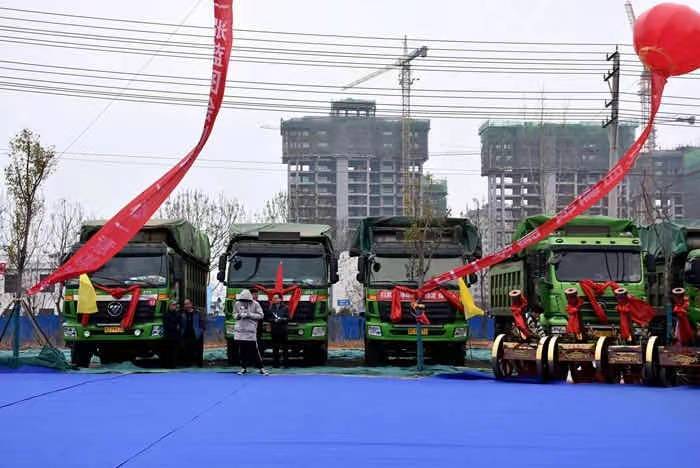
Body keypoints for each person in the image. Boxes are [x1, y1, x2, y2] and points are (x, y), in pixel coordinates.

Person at [233, 289, 268, 375]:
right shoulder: (237, 304)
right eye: (243, 300)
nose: (244, 302)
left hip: (250, 331)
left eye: (246, 300)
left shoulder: (255, 304)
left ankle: (261, 368)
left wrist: (250, 315)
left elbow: (261, 315)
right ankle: (243, 368)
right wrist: (239, 315)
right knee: (242, 350)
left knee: (254, 350)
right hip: (240, 331)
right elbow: (234, 314)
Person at [180, 298, 206, 367]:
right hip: (186, 335)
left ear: (191, 304)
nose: (186, 305)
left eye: (187, 303)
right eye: (185, 304)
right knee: (187, 351)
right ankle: (188, 364)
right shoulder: (182, 314)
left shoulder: (198, 313)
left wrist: (200, 331)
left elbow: (202, 323)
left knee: (199, 351)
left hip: (197, 334)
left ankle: (199, 364)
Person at [267, 293, 289, 368]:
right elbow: (268, 318)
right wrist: (273, 320)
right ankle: (276, 364)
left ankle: (286, 363)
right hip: (274, 330)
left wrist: (281, 319)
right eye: (273, 298)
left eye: (276, 298)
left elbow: (288, 318)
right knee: (275, 348)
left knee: (285, 348)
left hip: (283, 330)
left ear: (280, 299)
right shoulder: (270, 308)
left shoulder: (285, 307)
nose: (274, 299)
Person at [161, 300, 181, 368]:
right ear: (169, 306)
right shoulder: (166, 314)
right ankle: (167, 365)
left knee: (174, 351)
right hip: (168, 336)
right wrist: (175, 326)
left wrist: (175, 325)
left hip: (175, 336)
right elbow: (167, 325)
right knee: (167, 351)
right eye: (173, 305)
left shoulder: (178, 314)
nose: (174, 306)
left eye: (175, 305)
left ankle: (173, 365)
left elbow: (180, 324)